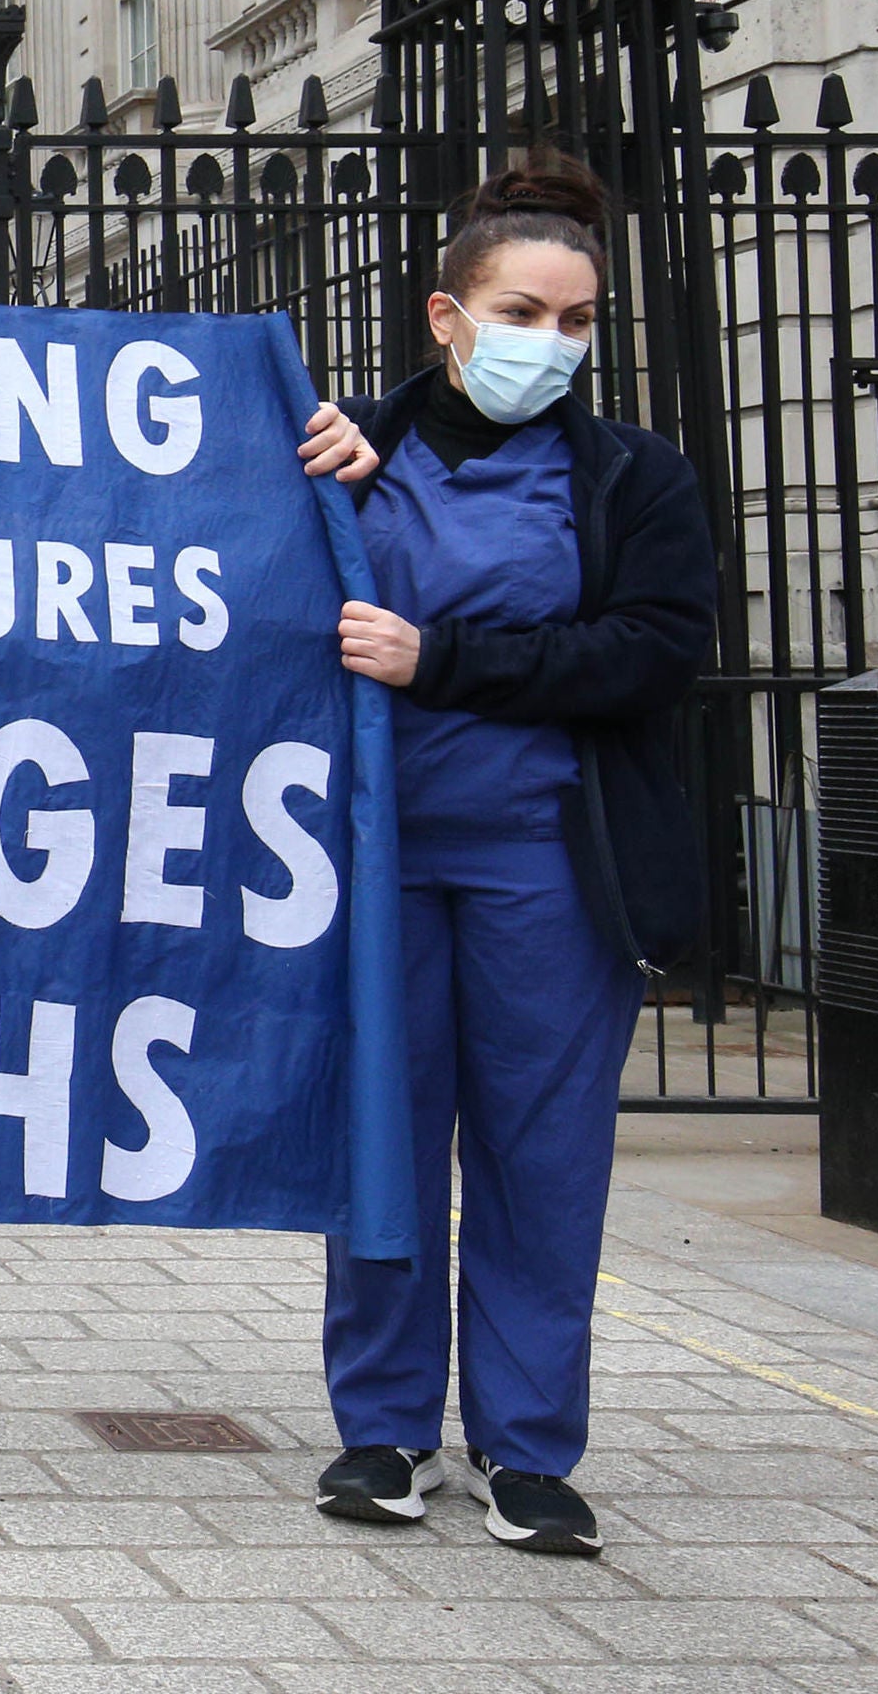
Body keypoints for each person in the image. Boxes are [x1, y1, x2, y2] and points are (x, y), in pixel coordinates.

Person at [291, 158, 714, 1556]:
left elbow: (658, 651)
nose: (553, 340)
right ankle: (385, 1434)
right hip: (377, 859)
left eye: (580, 319)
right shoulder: (344, 455)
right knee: (387, 1149)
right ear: (446, 315)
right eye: (523, 308)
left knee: (542, 1159)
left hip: (550, 859)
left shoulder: (632, 476)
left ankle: (530, 1453)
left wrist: (442, 658)